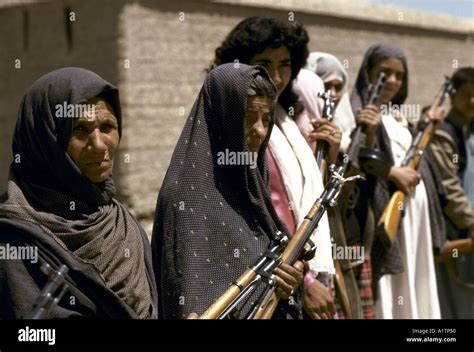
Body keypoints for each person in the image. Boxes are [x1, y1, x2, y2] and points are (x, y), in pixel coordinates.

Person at [0, 67, 157, 319]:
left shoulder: (125, 228)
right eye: (79, 130)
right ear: (45, 139)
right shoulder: (13, 239)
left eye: (107, 127)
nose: (98, 145)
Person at [151, 63, 304, 319]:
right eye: (247, 118)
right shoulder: (185, 199)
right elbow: (187, 296)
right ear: (223, 118)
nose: (259, 131)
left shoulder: (252, 186)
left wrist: (290, 283)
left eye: (266, 120)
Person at [209, 16, 338, 319]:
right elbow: (244, 215)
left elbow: (307, 198)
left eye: (285, 65)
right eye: (266, 64)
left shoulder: (283, 120)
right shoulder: (237, 123)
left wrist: (329, 153)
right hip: (272, 280)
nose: (277, 77)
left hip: (304, 269)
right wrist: (302, 282)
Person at [351, 43, 446, 319]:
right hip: (385, 216)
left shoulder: (397, 116)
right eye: (385, 72)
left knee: (417, 280)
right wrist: (392, 173)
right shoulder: (360, 111)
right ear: (368, 72)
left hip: (414, 217)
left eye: (399, 75)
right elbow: (355, 157)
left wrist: (428, 128)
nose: (392, 81)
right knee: (394, 290)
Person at [429, 67, 474, 318]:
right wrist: (470, 221)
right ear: (452, 96)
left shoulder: (467, 130)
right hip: (452, 234)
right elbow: (449, 188)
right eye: (467, 94)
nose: (472, 101)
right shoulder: (443, 134)